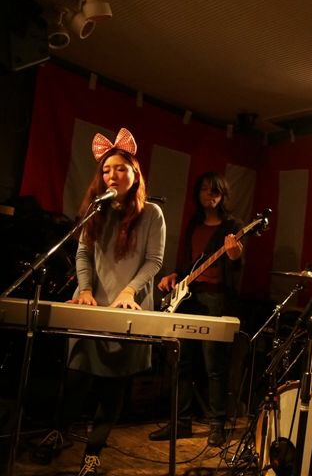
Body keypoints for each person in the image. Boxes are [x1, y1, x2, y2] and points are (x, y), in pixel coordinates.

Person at [35, 128, 166, 476]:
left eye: (120, 168)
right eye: (107, 170)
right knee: (76, 376)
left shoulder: (152, 213)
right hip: (93, 306)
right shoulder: (96, 210)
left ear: (135, 173)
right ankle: (58, 432)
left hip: (129, 309)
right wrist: (85, 289)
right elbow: (83, 254)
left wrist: (129, 291)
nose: (112, 175)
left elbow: (154, 261)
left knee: (113, 387)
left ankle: (93, 452)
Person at [148, 171, 243, 447]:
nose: (209, 195)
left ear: (223, 195)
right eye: (204, 190)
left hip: (216, 299)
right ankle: (181, 423)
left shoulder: (233, 225)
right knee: (182, 361)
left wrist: (234, 254)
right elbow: (187, 264)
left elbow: (236, 263)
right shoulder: (193, 224)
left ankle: (217, 425)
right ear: (197, 193)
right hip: (188, 297)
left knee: (215, 365)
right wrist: (174, 276)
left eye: (215, 191)